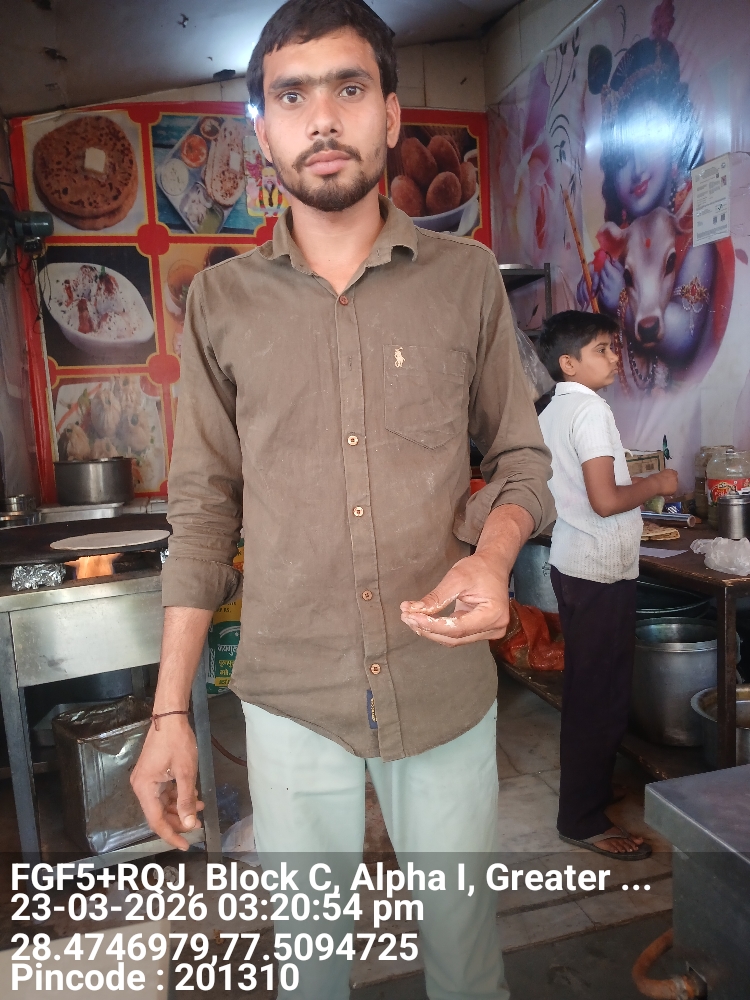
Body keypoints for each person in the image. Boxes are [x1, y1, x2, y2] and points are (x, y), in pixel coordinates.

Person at [130, 1, 554, 996]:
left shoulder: (465, 280)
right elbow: (203, 510)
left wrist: (493, 557)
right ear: (263, 132)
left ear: (392, 114)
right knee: (310, 966)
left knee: (466, 962)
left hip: (441, 687)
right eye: (292, 96)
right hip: (292, 696)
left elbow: (522, 462)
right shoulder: (222, 302)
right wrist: (169, 711)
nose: (321, 118)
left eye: (349, 88)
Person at [537, 311, 678, 858]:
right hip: (598, 568)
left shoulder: (554, 408)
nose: (615, 357)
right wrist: (658, 481)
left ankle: (590, 789)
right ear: (569, 363)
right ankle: (581, 818)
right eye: (602, 349)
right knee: (601, 695)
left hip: (575, 563)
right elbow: (606, 500)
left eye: (613, 348)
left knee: (589, 687)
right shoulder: (591, 410)